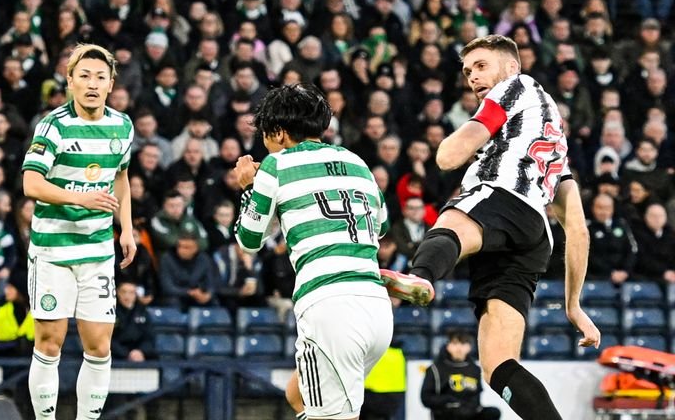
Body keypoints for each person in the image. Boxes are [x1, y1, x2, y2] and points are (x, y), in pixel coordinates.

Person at [403, 35, 600, 419]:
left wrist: (450, 149)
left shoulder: (517, 85)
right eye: (466, 71)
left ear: (511, 66)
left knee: (453, 219)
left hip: (503, 198)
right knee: (497, 367)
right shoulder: (551, 139)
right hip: (533, 237)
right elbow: (576, 228)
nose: (472, 77)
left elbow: (449, 156)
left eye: (480, 66)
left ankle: (421, 276)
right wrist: (573, 306)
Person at [233, 82, 393, 420]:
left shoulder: (277, 165)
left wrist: (249, 187)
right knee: (298, 395)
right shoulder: (357, 161)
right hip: (376, 308)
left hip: (329, 306)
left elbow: (249, 240)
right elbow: (382, 226)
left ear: (277, 132)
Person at [21, 44, 136, 420]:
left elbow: (121, 176)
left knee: (100, 345)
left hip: (98, 251)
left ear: (110, 84)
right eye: (84, 76)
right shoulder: (53, 125)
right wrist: (81, 199)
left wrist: (127, 230)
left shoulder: (122, 126)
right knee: (49, 343)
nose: (92, 84)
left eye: (100, 77)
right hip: (52, 250)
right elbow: (31, 184)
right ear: (70, 81)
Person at [421, 331, 500, 420]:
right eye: (455, 343)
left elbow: (476, 397)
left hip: (469, 413)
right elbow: (426, 397)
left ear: (469, 347)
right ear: (448, 346)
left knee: (493, 412)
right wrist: (449, 401)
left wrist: (469, 408)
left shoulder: (474, 369)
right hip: (446, 413)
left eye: (463, 343)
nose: (459, 348)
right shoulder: (435, 369)